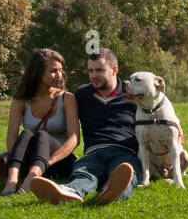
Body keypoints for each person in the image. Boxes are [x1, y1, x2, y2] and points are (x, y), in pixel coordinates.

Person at [31, 48, 143, 206]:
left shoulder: (132, 93)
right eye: (90, 70)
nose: (94, 75)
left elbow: (158, 120)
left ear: (114, 70)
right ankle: (70, 191)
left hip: (124, 151)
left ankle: (110, 192)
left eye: (99, 70)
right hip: (93, 151)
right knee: (84, 172)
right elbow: (61, 120)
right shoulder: (82, 94)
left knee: (125, 173)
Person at [0, 49, 79, 196]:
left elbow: (74, 138)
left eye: (60, 70)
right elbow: (12, 137)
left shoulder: (67, 98)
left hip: (57, 162)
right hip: (30, 161)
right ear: (37, 72)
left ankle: (30, 181)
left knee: (42, 135)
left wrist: (49, 161)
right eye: (53, 71)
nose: (59, 75)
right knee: (26, 134)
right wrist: (17, 160)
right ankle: (11, 181)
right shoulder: (21, 100)